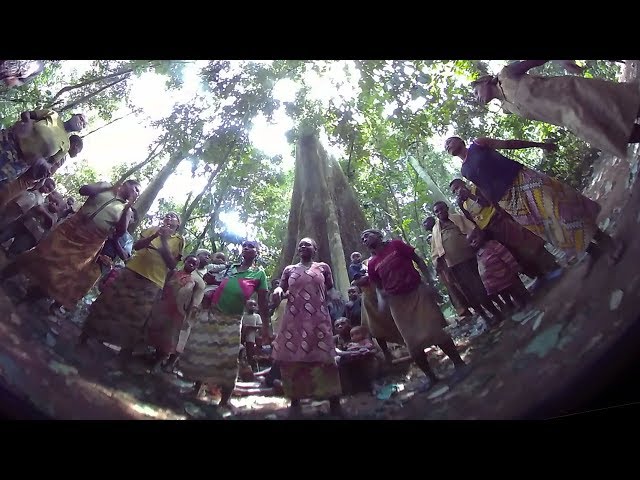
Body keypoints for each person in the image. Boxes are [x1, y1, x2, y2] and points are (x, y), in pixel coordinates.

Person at [445, 136, 623, 270]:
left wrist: (541, 145)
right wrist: (498, 207)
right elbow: (483, 188)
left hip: (523, 180)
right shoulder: (464, 170)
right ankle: (590, 250)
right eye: (445, 147)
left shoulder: (478, 144)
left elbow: (510, 144)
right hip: (507, 200)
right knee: (546, 228)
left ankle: (607, 242)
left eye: (449, 142)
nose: (447, 146)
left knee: (560, 211)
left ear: (459, 140)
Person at [0, 180, 140, 314]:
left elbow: (120, 231)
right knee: (40, 254)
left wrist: (128, 207)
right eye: (136, 189)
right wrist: (106, 188)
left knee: (61, 274)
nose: (137, 193)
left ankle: (28, 299)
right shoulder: (106, 186)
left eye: (139, 192)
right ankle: (5, 274)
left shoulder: (125, 210)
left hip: (88, 244)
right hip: (71, 228)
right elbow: (83, 190)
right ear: (127, 184)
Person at [357, 229, 471, 389]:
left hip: (416, 292)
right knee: (412, 342)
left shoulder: (396, 245)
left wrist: (430, 284)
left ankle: (459, 364)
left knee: (434, 331)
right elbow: (378, 286)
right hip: (397, 303)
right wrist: (383, 303)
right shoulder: (372, 263)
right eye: (362, 239)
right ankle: (431, 377)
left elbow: (418, 260)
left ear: (378, 235)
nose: (364, 239)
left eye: (367, 235)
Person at [470, 60, 640, 159]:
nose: (477, 98)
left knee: (628, 105)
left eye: (476, 91)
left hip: (577, 94)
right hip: (573, 119)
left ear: (485, 81)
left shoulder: (507, 74)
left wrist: (563, 61)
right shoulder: (507, 109)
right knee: (620, 134)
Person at [80, 211, 184, 368]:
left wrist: (163, 240)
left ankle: (121, 356)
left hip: (153, 281)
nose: (169, 218)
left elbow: (171, 264)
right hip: (132, 271)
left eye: (173, 217)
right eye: (167, 215)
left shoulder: (179, 240)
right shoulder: (153, 229)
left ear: (178, 223)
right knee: (109, 303)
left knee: (137, 318)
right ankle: (85, 337)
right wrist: (154, 236)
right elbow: (136, 246)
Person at [179, 240, 270, 409]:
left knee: (229, 357)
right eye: (245, 245)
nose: (247, 248)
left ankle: (225, 399)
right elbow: (211, 279)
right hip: (213, 313)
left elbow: (263, 303)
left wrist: (266, 327)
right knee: (204, 350)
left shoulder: (259, 274)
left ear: (257, 253)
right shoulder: (230, 268)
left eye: (251, 246)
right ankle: (197, 388)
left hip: (233, 320)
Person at [271, 237, 343, 418]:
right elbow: (281, 287)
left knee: (325, 357)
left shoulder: (322, 267)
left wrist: (336, 296)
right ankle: (295, 402)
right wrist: (278, 292)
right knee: (292, 358)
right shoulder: (290, 269)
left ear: (315, 249)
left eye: (307, 244)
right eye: (300, 245)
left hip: (319, 318)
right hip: (294, 321)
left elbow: (330, 288)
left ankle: (334, 402)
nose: (303, 247)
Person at [449, 178, 561, 281]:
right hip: (489, 230)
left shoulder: (476, 189)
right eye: (454, 191)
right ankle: (538, 275)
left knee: (525, 243)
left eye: (458, 187)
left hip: (499, 221)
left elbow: (488, 203)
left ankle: (552, 266)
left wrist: (470, 195)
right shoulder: (464, 204)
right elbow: (472, 221)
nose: (457, 191)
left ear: (463, 183)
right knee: (514, 254)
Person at [431, 202, 504, 323]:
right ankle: (489, 316)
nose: (440, 213)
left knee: (484, 285)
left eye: (441, 209)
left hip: (471, 258)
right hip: (454, 267)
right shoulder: (435, 231)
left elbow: (473, 229)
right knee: (471, 293)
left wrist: (475, 241)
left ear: (447, 209)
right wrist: (439, 265)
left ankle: (501, 307)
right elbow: (435, 253)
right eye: (437, 212)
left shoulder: (457, 218)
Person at [146, 254, 205, 374]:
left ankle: (157, 364)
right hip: (163, 306)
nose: (191, 265)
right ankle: (147, 357)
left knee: (169, 338)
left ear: (196, 267)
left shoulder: (194, 282)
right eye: (190, 262)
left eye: (195, 264)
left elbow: (193, 301)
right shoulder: (173, 272)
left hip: (177, 312)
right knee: (155, 331)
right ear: (185, 261)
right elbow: (163, 285)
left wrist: (189, 314)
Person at [1, 110, 86, 184]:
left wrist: (43, 164)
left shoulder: (66, 146)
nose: (81, 122)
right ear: (74, 115)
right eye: (81, 118)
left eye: (83, 124)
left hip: (17, 163)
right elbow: (26, 114)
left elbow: (49, 164)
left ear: (79, 130)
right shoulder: (53, 115)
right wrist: (27, 122)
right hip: (8, 141)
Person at [423, 215, 473, 319]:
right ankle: (464, 310)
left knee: (462, 284)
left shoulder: (443, 228)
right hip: (443, 268)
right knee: (453, 289)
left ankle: (474, 304)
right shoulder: (433, 235)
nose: (424, 225)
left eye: (425, 223)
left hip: (452, 262)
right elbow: (435, 253)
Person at [468, 229, 531, 311]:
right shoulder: (478, 254)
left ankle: (528, 300)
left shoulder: (493, 245)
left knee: (517, 289)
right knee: (510, 293)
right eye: (470, 241)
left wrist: (515, 267)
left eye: (475, 237)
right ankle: (521, 304)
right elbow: (482, 270)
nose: (474, 241)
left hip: (507, 274)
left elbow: (506, 255)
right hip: (497, 282)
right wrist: (489, 285)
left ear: (481, 234)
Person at [0, 191, 63, 257]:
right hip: (21, 224)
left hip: (31, 235)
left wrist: (43, 212)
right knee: (4, 235)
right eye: (53, 201)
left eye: (56, 204)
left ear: (60, 210)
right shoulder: (44, 204)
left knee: (15, 250)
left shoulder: (54, 218)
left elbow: (51, 222)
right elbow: (36, 208)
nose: (53, 203)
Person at [335, 325, 381, 394]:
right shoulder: (349, 343)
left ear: (364, 334)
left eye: (357, 334)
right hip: (353, 359)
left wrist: (359, 347)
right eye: (352, 335)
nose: (354, 336)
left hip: (365, 358)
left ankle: (372, 384)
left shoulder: (365, 341)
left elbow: (370, 346)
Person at [241, 299, 262, 371]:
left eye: (254, 305)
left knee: (251, 354)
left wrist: (250, 327)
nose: (252, 306)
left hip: (252, 338)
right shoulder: (243, 316)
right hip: (242, 338)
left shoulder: (257, 316)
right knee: (242, 354)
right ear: (246, 306)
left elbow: (260, 326)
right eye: (250, 305)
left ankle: (252, 370)